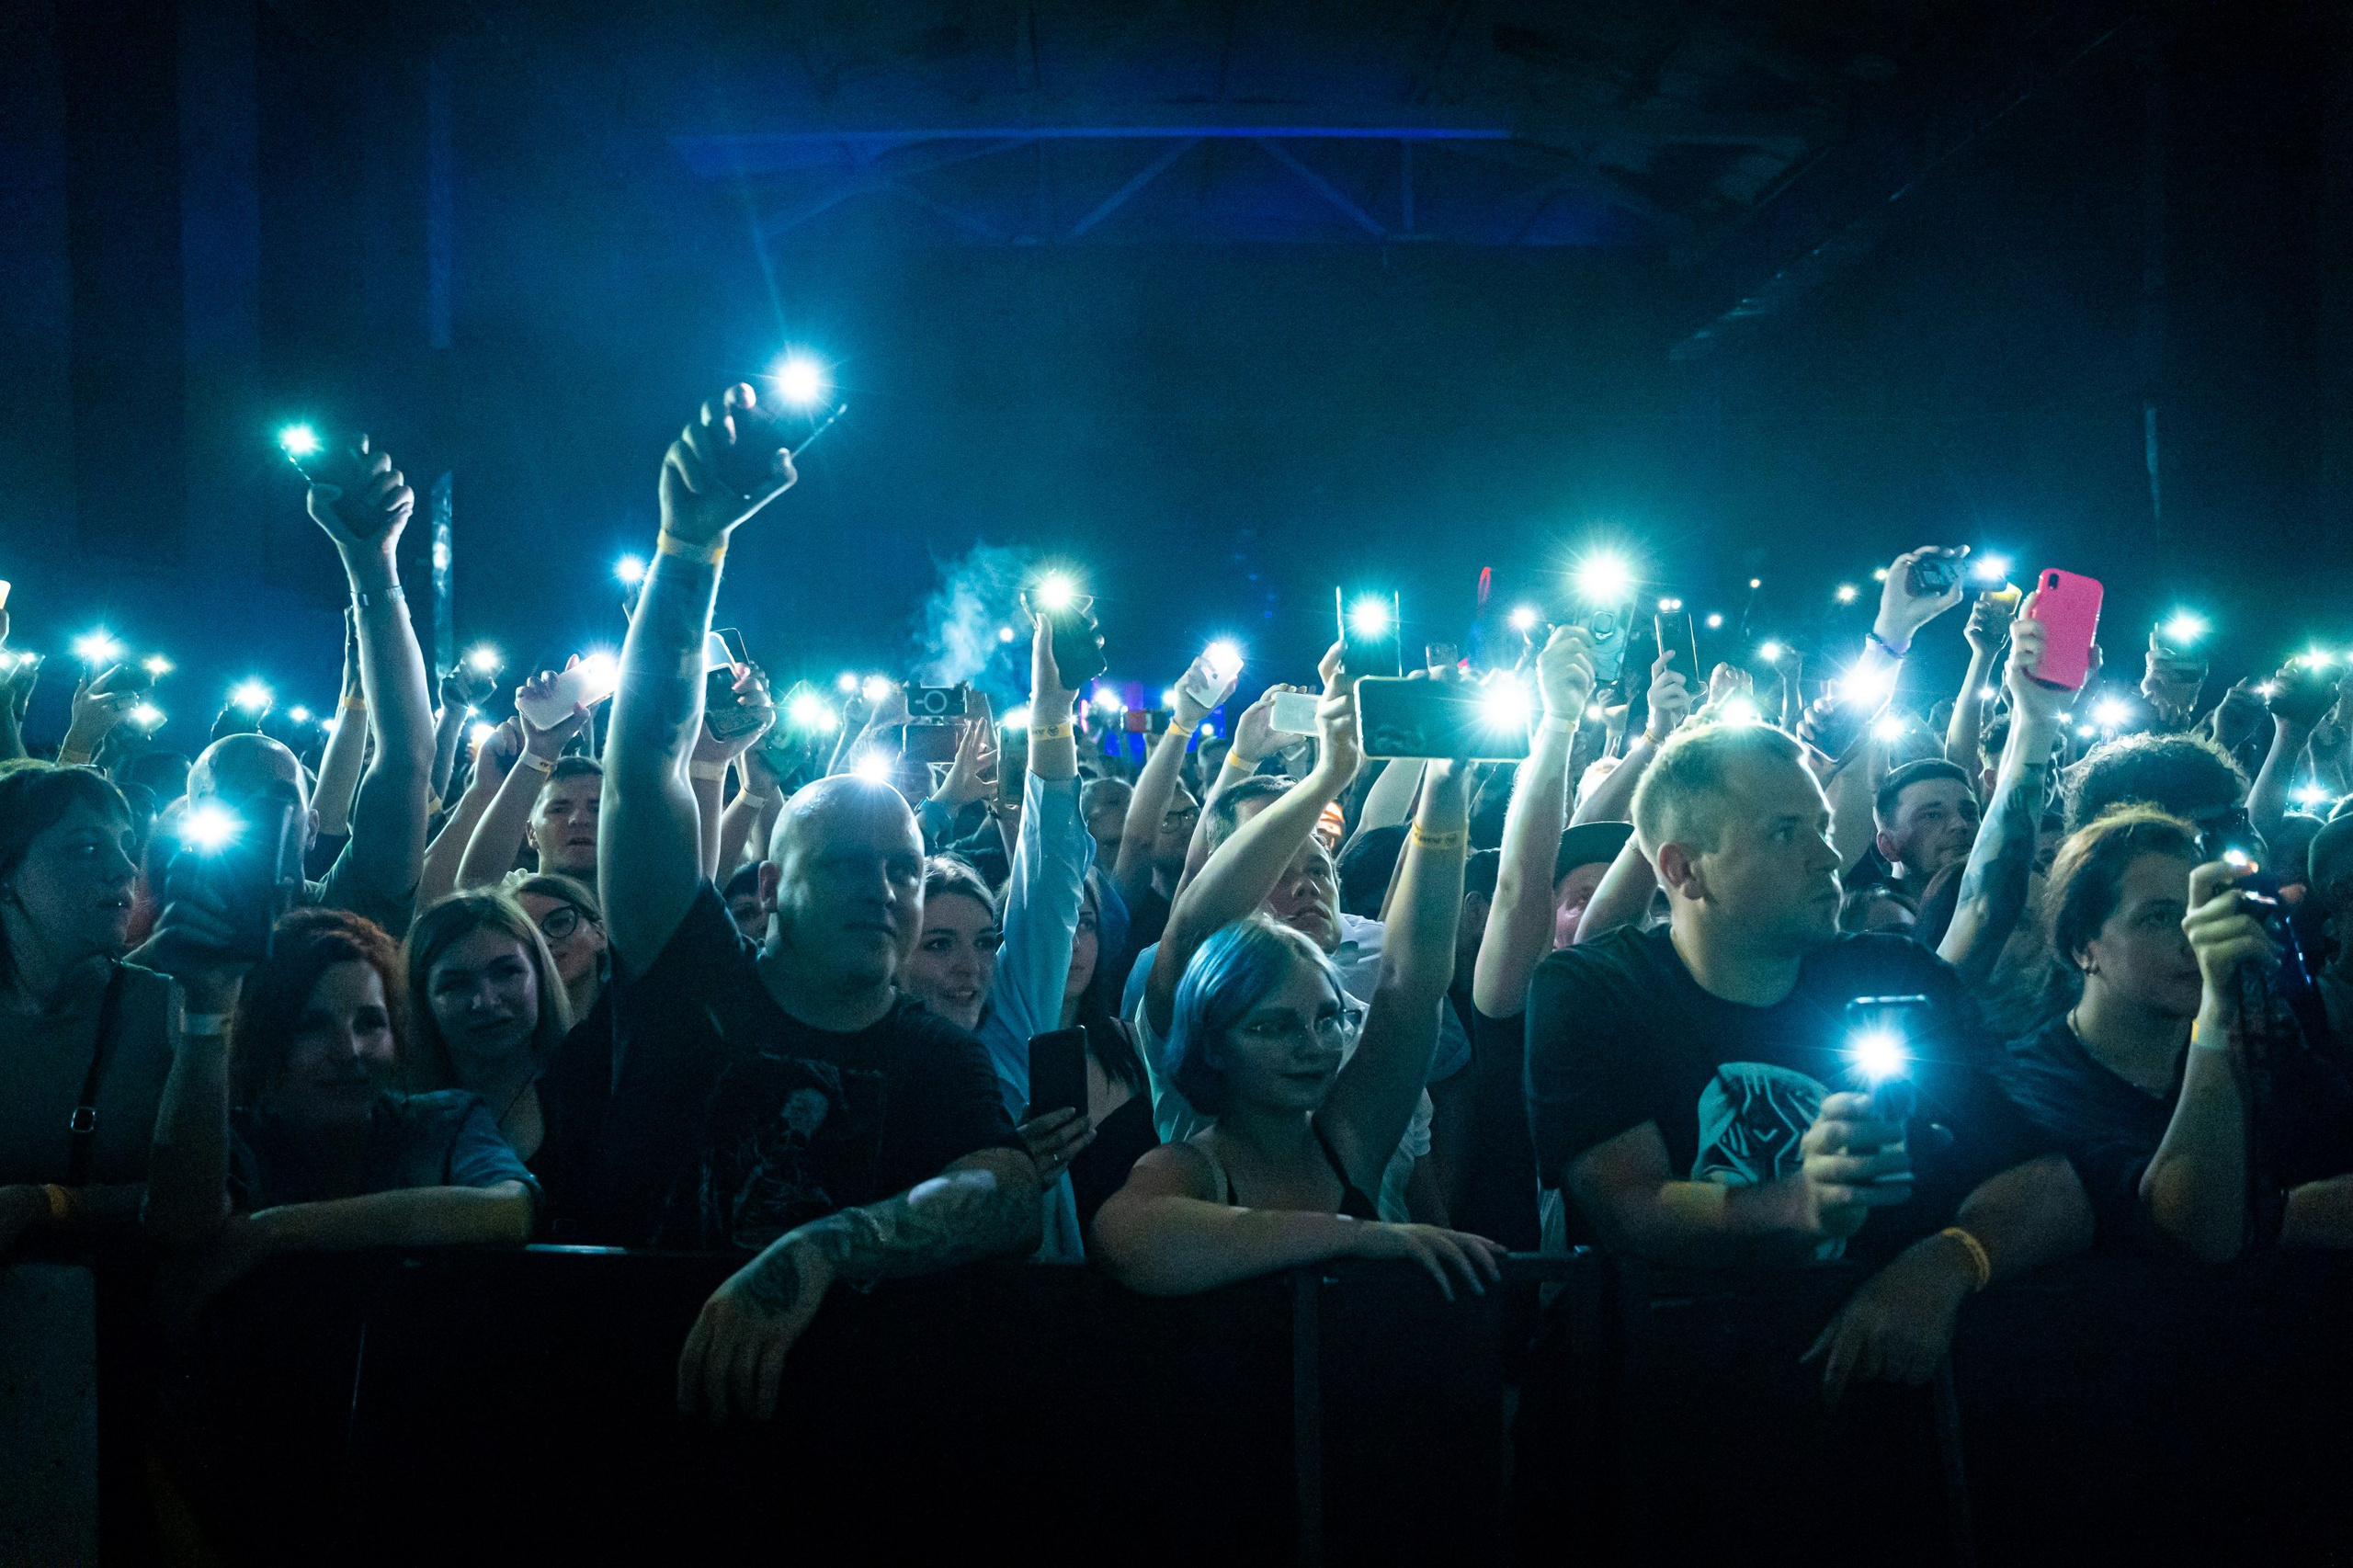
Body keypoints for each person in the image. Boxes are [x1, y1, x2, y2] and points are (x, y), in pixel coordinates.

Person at [600, 382, 1039, 1423]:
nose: (884, 890)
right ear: (767, 887)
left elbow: (1009, 1193)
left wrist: (826, 1243)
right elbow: (644, 767)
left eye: (902, 868)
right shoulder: (687, 970)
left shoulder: (935, 1054)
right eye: (846, 863)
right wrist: (688, 543)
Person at [1526, 719, 2094, 1399]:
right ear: (1683, 869)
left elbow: (2048, 1186)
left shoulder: (1898, 976)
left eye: (1822, 828)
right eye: (1785, 832)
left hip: (1887, 1401)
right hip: (1668, 1402)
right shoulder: (1598, 990)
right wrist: (1802, 1204)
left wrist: (1948, 1260)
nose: (1827, 856)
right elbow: (1631, 1205)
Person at [1092, 734, 1506, 1299]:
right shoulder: (1190, 1166)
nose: (1312, 1044)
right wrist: (1350, 1236)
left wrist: (1446, 785)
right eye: (1272, 1026)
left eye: (1329, 1019)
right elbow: (1124, 1238)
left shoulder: (1349, 1141)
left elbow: (1414, 980)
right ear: (1213, 1042)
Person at [143, 906, 536, 1325]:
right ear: (267, 1037)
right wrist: (208, 1007)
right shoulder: (236, 1139)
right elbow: (177, 1225)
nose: (349, 1051)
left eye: (370, 1023)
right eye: (312, 1026)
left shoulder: (444, 1122)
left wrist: (271, 1231)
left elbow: (511, 1209)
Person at [171, 439, 436, 940]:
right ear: (191, 823)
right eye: (230, 798)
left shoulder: (344, 915)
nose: (254, 814)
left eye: (277, 798)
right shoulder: (139, 950)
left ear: (313, 828)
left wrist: (372, 565)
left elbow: (406, 759)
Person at [0, 765, 176, 1256]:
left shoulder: (168, 1011)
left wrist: (43, 1204)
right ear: (8, 874)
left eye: (126, 845)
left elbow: (204, 1196)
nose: (126, 868)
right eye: (88, 848)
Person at [401, 892, 574, 1162]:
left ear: (540, 975)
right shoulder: (398, 1118)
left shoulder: (593, 1087)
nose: (486, 1001)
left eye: (507, 972)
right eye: (455, 984)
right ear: (421, 1000)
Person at [455, 672, 602, 890]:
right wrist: (538, 750)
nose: (579, 820)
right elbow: (473, 888)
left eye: (596, 809)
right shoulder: (510, 900)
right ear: (530, 832)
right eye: (559, 809)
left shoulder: (645, 904)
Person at [1868, 759, 1981, 901]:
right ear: (1888, 846)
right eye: (1932, 815)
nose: (1960, 824)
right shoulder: (1871, 917)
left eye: (1969, 813)